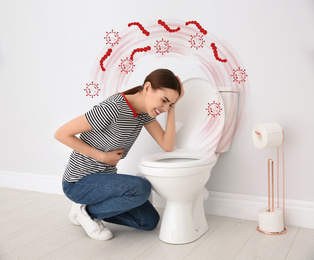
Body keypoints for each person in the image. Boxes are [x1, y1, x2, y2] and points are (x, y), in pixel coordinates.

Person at [54, 68, 184, 240]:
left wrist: (174, 106)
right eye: (164, 100)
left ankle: (85, 209)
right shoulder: (114, 107)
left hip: (103, 183)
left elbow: (167, 145)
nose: (165, 108)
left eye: (170, 104)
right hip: (78, 182)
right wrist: (102, 157)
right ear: (147, 88)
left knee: (149, 221)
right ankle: (85, 212)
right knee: (141, 188)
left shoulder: (143, 114)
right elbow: (61, 134)